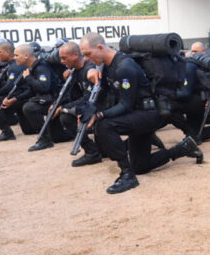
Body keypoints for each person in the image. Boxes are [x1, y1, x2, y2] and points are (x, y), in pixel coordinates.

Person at [80, 32, 202, 194]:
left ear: (101, 47)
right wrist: (88, 111)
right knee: (141, 166)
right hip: (137, 115)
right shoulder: (106, 66)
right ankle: (183, 148)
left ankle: (127, 175)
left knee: (105, 126)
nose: (87, 59)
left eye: (88, 54)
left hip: (149, 114)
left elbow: (125, 105)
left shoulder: (124, 67)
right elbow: (102, 96)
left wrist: (99, 116)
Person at [55, 42, 101, 167]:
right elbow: (75, 96)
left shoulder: (88, 69)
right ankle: (92, 151)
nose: (62, 61)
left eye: (64, 58)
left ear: (75, 55)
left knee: (66, 115)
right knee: (65, 115)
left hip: (100, 106)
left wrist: (64, 108)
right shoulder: (75, 71)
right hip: (89, 105)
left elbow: (88, 98)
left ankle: (92, 153)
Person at [13, 43, 64, 152]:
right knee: (57, 137)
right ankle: (46, 135)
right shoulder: (32, 68)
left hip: (56, 101)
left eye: (16, 55)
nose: (14, 58)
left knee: (29, 107)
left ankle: (44, 140)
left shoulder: (41, 67)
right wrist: (16, 98)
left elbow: (44, 88)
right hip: (47, 99)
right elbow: (32, 91)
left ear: (26, 55)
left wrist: (28, 78)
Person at [0, 41, 35, 142]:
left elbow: (10, 86)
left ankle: (7, 132)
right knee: (28, 130)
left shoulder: (15, 66)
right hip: (21, 94)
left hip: (25, 96)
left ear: (8, 52)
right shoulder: (12, 65)